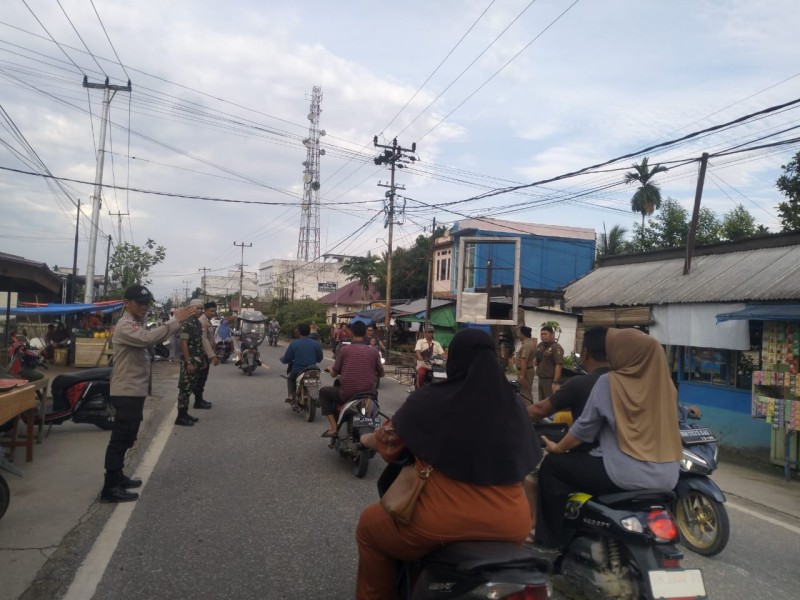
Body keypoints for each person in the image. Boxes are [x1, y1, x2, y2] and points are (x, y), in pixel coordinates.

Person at [355, 328, 541, 599]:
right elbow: (529, 457)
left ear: (454, 359)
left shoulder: (430, 398)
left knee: (368, 527)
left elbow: (389, 442)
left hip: (440, 523)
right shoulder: (513, 405)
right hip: (513, 525)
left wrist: (366, 439)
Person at [534, 327, 682, 549]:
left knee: (553, 467)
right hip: (669, 476)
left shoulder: (610, 381)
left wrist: (558, 448)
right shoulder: (667, 387)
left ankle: (549, 541)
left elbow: (583, 429)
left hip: (623, 474)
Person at [100, 284, 199, 503]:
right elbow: (148, 338)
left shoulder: (136, 322)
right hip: (126, 390)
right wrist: (176, 320)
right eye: (140, 303)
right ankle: (109, 488)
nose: (145, 307)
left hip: (134, 390)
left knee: (128, 436)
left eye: (147, 303)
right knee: (120, 438)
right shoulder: (125, 326)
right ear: (127, 303)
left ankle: (118, 477)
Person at [523, 327, 609, 538]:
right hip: (630, 460)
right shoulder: (630, 382)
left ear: (585, 353)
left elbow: (540, 410)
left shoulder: (581, 384)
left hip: (593, 459)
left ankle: (543, 532)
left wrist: (510, 416)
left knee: (543, 467)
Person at [319, 321, 384, 437]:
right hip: (369, 395)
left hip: (347, 394)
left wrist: (330, 369)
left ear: (350, 333)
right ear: (365, 334)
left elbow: (334, 374)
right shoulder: (374, 351)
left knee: (323, 392)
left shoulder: (344, 350)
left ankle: (334, 428)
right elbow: (382, 374)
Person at [176, 299, 208, 426]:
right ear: (190, 308)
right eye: (197, 308)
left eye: (201, 308)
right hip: (189, 361)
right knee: (185, 389)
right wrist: (188, 362)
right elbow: (184, 343)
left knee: (190, 388)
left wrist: (203, 359)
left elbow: (199, 343)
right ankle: (180, 416)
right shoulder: (186, 323)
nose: (200, 310)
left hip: (197, 360)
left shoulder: (197, 323)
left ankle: (185, 413)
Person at [280, 323, 324, 404]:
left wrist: (283, 360)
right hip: (313, 370)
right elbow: (319, 359)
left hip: (298, 370)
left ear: (299, 332)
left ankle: (290, 396)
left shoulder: (294, 344)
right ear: (309, 331)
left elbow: (287, 358)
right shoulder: (316, 344)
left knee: (290, 379)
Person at [194, 301, 220, 409]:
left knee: (202, 378)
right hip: (201, 354)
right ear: (205, 310)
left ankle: (199, 400)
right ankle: (198, 402)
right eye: (211, 311)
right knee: (200, 379)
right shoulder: (202, 322)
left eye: (214, 311)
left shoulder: (207, 321)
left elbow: (211, 339)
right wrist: (212, 356)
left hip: (206, 354)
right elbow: (203, 339)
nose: (213, 313)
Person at [534, 325, 564, 401]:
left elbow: (559, 365)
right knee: (541, 401)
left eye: (545, 334)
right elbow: (538, 359)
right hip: (540, 378)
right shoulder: (540, 345)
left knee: (549, 402)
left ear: (551, 335)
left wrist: (555, 382)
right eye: (541, 334)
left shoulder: (556, 347)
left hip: (549, 380)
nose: (543, 336)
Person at [514, 326, 537, 406]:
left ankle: (528, 412)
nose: (519, 335)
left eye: (520, 333)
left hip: (525, 371)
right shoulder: (529, 343)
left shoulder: (526, 345)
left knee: (525, 393)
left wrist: (522, 376)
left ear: (523, 334)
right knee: (525, 392)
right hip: (526, 370)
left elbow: (524, 361)